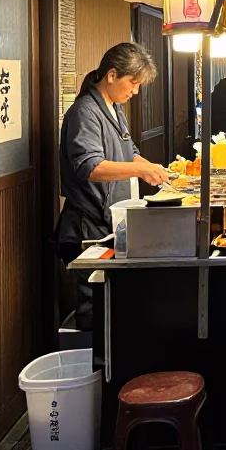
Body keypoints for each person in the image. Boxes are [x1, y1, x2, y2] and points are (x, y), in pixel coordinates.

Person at [53, 42, 170, 330]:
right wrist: (141, 169)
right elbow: (89, 166)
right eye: (133, 82)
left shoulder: (115, 108)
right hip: (88, 227)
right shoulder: (85, 112)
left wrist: (154, 171)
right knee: (96, 307)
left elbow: (129, 152)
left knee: (116, 306)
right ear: (112, 75)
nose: (135, 91)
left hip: (110, 222)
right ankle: (96, 372)